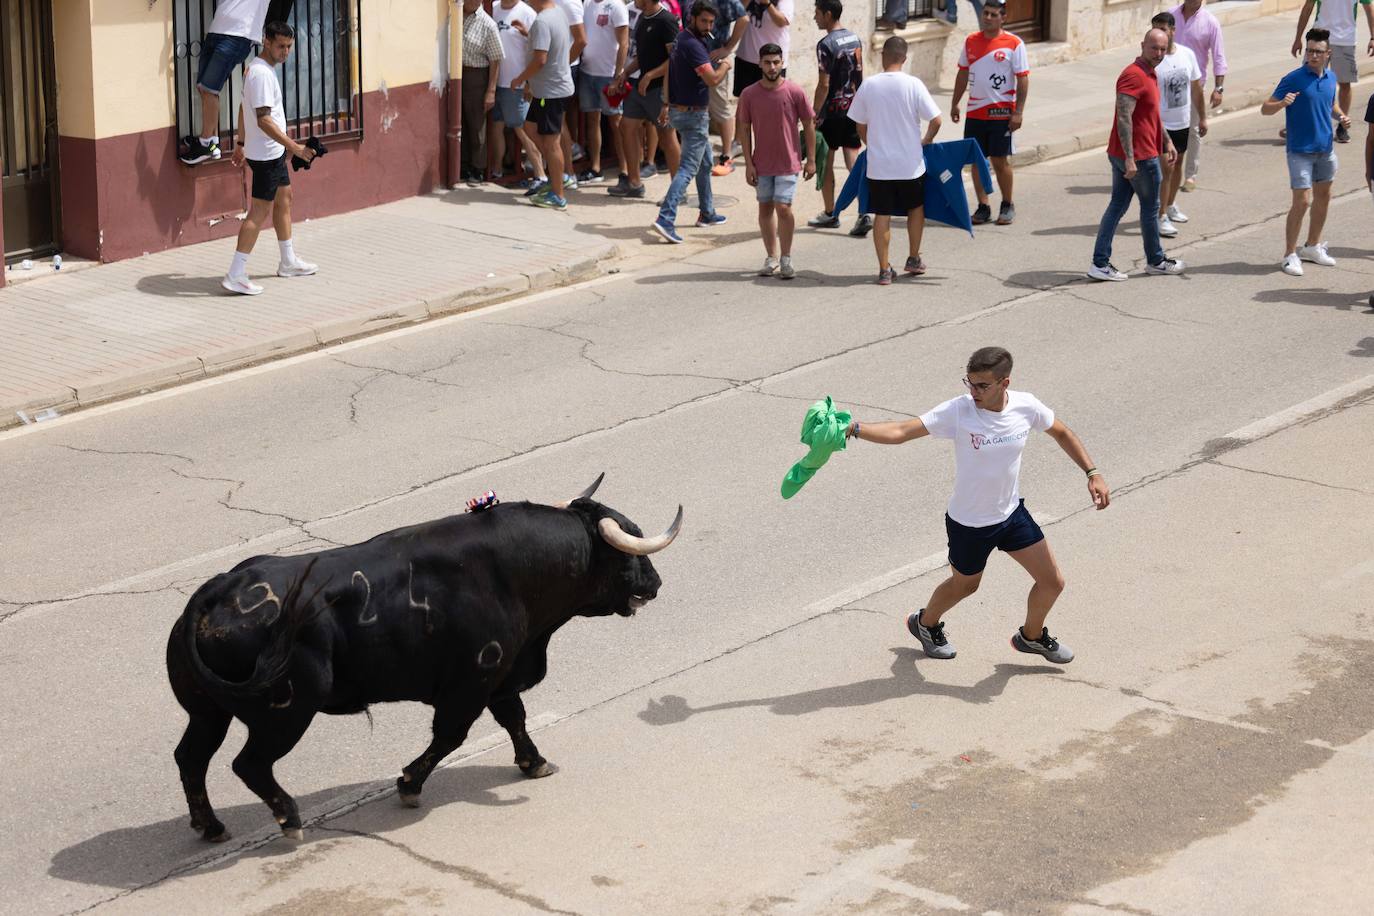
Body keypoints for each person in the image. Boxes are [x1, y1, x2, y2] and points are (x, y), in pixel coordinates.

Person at [847, 346, 1109, 665]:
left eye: (982, 385)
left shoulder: (1026, 406)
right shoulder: (959, 411)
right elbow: (902, 431)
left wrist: (1092, 473)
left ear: (1004, 383)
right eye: (969, 383)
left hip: (1011, 515)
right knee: (965, 586)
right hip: (969, 523)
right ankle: (925, 623)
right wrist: (856, 429)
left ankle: (1031, 636)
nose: (973, 392)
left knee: (1053, 582)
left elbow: (1062, 432)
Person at [221, 22, 317, 295]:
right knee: (259, 212)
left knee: (284, 199)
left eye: (289, 46)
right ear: (266, 41)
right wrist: (295, 147)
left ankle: (288, 261)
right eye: (280, 46)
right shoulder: (261, 74)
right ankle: (236, 274)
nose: (285, 52)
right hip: (266, 156)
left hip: (269, 152)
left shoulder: (256, 68)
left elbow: (243, 108)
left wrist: (240, 142)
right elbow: (263, 120)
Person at [1087, 28, 1184, 282]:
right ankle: (1155, 260)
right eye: (1154, 48)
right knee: (1150, 208)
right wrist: (1130, 158)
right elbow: (1123, 116)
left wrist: (1167, 141)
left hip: (1136, 153)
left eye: (1163, 49)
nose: (1159, 53)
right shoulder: (1133, 75)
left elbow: (1150, 115)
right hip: (1138, 157)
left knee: (1118, 206)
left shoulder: (1150, 73)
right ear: (1142, 46)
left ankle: (1100, 263)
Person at [846, 36, 941, 285]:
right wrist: (926, 140)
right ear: (905, 58)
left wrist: (873, 145)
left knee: (882, 214)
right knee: (915, 209)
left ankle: (884, 269)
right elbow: (936, 120)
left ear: (882, 56)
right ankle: (912, 258)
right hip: (910, 164)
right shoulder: (914, 84)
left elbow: (859, 124)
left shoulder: (869, 85)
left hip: (880, 166)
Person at [1262, 28, 1350, 277]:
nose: (1312, 55)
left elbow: (1331, 103)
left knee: (1324, 197)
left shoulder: (1330, 78)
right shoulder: (1293, 78)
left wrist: (1340, 116)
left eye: (1318, 52)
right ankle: (1290, 254)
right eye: (1310, 50)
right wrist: (1281, 104)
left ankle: (1312, 246)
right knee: (1302, 202)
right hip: (1300, 150)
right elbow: (1265, 108)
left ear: (1328, 54)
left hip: (1325, 149)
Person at [651, 0, 732, 243]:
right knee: (687, 168)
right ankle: (666, 217)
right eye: (704, 21)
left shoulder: (682, 40)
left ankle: (707, 213)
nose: (708, 26)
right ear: (692, 19)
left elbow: (670, 72)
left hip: (684, 112)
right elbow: (712, 80)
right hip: (694, 116)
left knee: (706, 162)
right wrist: (726, 65)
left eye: (711, 22)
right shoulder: (693, 45)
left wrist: (666, 103)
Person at [738, 43, 816, 278]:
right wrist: (749, 163)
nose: (772, 67)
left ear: (782, 63)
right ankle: (771, 257)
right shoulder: (749, 94)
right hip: (761, 163)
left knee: (783, 208)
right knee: (765, 208)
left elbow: (809, 125)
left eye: (776, 62)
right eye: (767, 62)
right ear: (759, 64)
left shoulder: (795, 92)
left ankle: (786, 258)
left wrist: (811, 159)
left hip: (788, 162)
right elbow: (743, 128)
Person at [949, 0, 1028, 226]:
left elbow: (1023, 79)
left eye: (994, 15)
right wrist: (955, 103)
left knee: (1000, 160)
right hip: (975, 113)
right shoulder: (971, 41)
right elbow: (963, 74)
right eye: (986, 13)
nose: (988, 18)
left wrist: (1018, 112)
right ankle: (983, 207)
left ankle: (1007, 204)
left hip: (1001, 113)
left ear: (1003, 18)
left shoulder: (1014, 44)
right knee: (976, 161)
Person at [808, 0, 872, 238]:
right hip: (854, 107)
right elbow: (859, 75)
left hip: (832, 111)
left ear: (827, 14)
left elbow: (824, 84)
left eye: (817, 13)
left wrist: (814, 112)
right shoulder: (854, 38)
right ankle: (864, 211)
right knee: (853, 160)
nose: (815, 18)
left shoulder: (825, 44)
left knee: (825, 160)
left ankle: (830, 213)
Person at [180, 0, 270, 165]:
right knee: (203, 87)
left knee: (209, 89)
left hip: (239, 36)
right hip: (216, 30)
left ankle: (206, 143)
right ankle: (211, 140)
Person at [609, 0, 682, 198]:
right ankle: (634, 184)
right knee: (626, 126)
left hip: (660, 90)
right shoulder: (642, 17)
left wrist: (651, 75)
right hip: (639, 86)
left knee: (667, 137)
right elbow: (643, 55)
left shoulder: (666, 21)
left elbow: (674, 59)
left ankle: (678, 191)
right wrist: (625, 73)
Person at [511, 0, 578, 210]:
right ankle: (560, 175)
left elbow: (540, 59)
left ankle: (558, 195)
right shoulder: (555, 13)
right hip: (546, 90)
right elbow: (546, 44)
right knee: (530, 126)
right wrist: (526, 33)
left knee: (551, 143)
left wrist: (520, 79)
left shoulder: (542, 21)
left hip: (551, 92)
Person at [1151, 11, 1205, 238]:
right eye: (1156, 29)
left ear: (1173, 30)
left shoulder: (1186, 55)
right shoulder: (1153, 60)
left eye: (1164, 29)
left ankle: (1170, 205)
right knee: (1167, 170)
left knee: (1178, 166)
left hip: (1182, 122)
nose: (1160, 34)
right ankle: (1160, 215)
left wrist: (1202, 117)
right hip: (1161, 126)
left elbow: (1195, 88)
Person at [1291, 0, 1373, 144]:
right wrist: (1298, 38)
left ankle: (1342, 125)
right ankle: (1303, 124)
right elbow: (1307, 7)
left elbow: (1369, 8)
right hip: (1319, 39)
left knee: (1345, 83)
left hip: (1345, 40)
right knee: (1306, 81)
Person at [1169, 0, 1226, 192]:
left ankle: (1190, 176)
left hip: (1194, 85)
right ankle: (1163, 170)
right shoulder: (1170, 16)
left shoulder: (1211, 22)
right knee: (1165, 128)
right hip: (1168, 83)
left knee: (1192, 131)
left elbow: (1219, 57)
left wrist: (1219, 88)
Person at [491, 0, 548, 190]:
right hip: (495, 82)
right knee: (496, 126)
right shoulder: (494, 7)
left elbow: (537, 52)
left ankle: (540, 174)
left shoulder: (528, 13)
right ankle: (497, 171)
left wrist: (529, 83)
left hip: (516, 84)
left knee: (522, 130)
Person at [577, 0, 631, 183]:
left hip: (608, 76)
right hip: (587, 72)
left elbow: (624, 43)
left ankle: (625, 169)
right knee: (593, 121)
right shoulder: (587, 5)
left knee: (616, 123)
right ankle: (595, 167)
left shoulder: (616, 5)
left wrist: (618, 75)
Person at [733, 0, 794, 160]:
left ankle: (772, 144)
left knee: (774, 103)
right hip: (747, 56)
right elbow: (737, 12)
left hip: (773, 60)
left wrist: (767, 4)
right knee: (742, 102)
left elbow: (782, 21)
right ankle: (738, 142)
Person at [462, 0, 505, 186]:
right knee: (459, 122)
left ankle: (477, 168)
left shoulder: (488, 24)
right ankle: (462, 165)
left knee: (477, 124)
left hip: (477, 75)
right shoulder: (455, 14)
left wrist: (491, 90)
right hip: (457, 74)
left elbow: (496, 59)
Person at [704, 0, 748, 176]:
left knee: (720, 107)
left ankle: (727, 154)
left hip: (715, 62)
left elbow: (743, 18)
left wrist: (728, 48)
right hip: (693, 59)